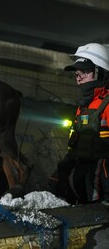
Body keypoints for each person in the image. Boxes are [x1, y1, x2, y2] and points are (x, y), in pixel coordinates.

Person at [50, 43, 109, 205]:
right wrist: (61, 173)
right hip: (84, 177)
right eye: (77, 73)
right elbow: (76, 146)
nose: (79, 77)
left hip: (102, 181)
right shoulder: (83, 106)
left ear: (101, 73)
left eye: (85, 72)